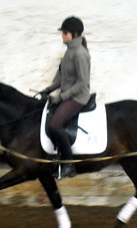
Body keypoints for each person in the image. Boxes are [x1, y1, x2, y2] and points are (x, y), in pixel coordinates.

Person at [41, 16, 91, 178]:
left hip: (78, 97)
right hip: (68, 95)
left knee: (55, 124)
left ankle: (69, 164)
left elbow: (82, 83)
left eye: (65, 33)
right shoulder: (69, 51)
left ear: (75, 34)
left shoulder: (80, 54)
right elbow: (62, 77)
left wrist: (62, 97)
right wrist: (49, 89)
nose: (62, 35)